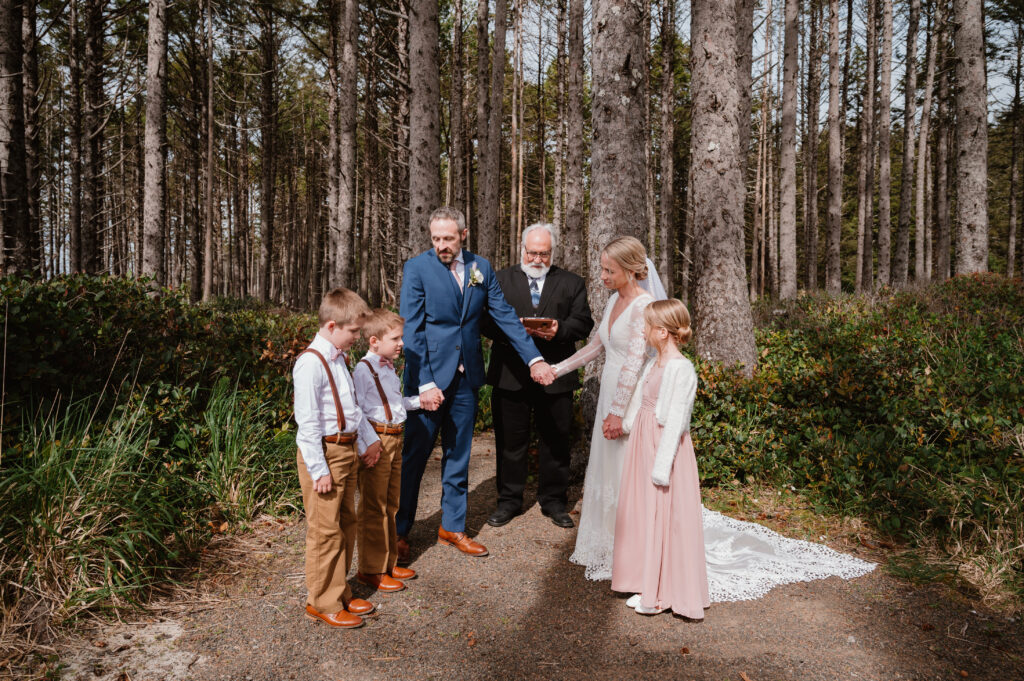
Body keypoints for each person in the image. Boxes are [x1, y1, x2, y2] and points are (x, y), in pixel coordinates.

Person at [397, 206, 555, 561]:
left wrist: (535, 358)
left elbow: (504, 317)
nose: (441, 245)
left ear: (463, 235)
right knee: (415, 457)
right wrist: (423, 384)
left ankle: (452, 526)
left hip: (467, 378)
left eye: (449, 238)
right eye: (436, 238)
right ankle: (399, 531)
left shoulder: (481, 268)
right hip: (428, 381)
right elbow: (412, 329)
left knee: (459, 455)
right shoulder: (417, 268)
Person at [552, 236, 654, 580]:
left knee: (628, 469)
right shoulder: (613, 302)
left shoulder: (645, 306)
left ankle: (635, 548)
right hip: (611, 388)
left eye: (609, 270)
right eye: (602, 268)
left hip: (630, 397)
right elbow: (595, 347)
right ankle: (607, 540)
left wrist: (616, 412)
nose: (602, 276)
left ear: (629, 270)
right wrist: (555, 370)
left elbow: (635, 362)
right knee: (609, 468)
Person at [483, 223, 594, 529]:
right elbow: (483, 321)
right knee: (510, 441)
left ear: (552, 252)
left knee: (556, 440)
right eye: (532, 252)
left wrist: (559, 329)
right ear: (522, 249)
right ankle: (508, 501)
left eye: (544, 253)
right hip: (510, 374)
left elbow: (584, 324)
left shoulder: (572, 282)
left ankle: (554, 502)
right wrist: (511, 328)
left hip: (557, 374)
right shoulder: (501, 280)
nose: (537, 259)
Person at [613, 299, 709, 618]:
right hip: (644, 440)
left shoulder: (680, 369)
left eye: (646, 326)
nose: (641, 330)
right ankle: (647, 579)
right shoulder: (653, 363)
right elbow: (642, 399)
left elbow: (676, 419)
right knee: (645, 511)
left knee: (663, 512)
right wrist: (627, 424)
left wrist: (661, 466)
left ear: (663, 332)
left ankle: (661, 591)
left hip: (662, 448)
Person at [292, 288, 382, 628]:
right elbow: (308, 423)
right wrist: (319, 469)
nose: (358, 338)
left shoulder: (339, 359)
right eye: (354, 332)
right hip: (324, 454)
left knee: (346, 524)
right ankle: (321, 600)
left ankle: (340, 589)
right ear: (332, 326)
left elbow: (352, 409)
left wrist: (367, 441)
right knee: (325, 530)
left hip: (345, 450)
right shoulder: (310, 364)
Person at [352, 309, 420, 593]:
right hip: (377, 440)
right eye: (395, 338)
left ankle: (388, 562)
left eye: (400, 338)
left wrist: (418, 402)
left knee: (391, 504)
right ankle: (370, 569)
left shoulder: (389, 367)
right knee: (374, 507)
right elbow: (357, 411)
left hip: (395, 438)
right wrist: (368, 443)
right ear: (374, 341)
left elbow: (391, 405)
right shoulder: (363, 369)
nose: (401, 343)